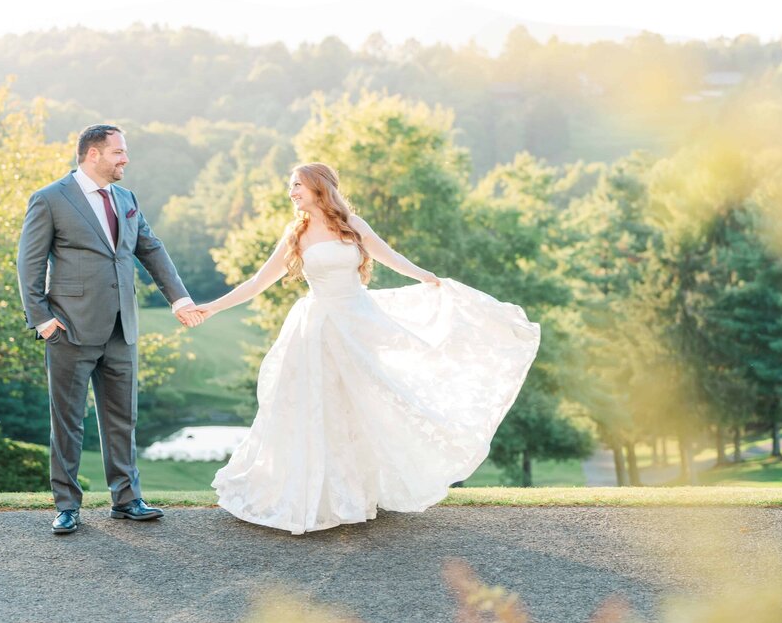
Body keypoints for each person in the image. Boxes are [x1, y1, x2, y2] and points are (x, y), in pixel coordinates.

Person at [191, 162, 540, 535]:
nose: (291, 192)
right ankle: (315, 497)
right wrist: (211, 307)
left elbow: (390, 256)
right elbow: (259, 281)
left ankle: (354, 494)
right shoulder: (297, 233)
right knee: (317, 410)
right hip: (318, 331)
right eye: (291, 186)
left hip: (359, 323)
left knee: (362, 406)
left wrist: (427, 278)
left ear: (319, 187)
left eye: (297, 185)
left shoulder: (353, 225)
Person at [17, 124, 204, 534]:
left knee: (123, 418)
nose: (125, 159)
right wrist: (43, 319)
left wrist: (180, 298)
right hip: (69, 329)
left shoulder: (125, 198)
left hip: (123, 327)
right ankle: (67, 505)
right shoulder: (50, 199)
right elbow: (28, 264)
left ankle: (126, 498)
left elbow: (150, 248)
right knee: (67, 422)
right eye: (118, 152)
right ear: (93, 154)